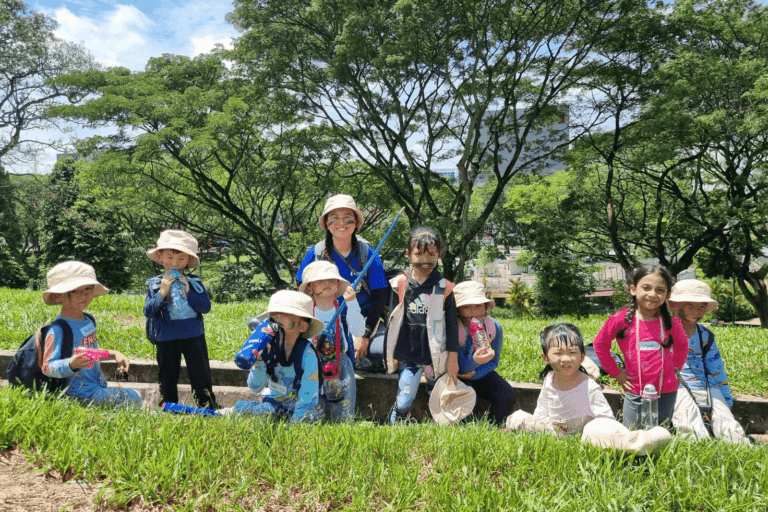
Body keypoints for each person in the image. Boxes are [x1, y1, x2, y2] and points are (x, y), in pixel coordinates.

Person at [505, 324, 672, 455]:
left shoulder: (588, 385)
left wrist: (602, 430)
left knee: (596, 430)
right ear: (546, 358)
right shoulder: (549, 380)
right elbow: (541, 411)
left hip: (586, 433)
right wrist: (535, 428)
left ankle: (642, 442)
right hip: (554, 432)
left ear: (582, 356)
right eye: (558, 353)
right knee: (517, 417)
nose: (566, 359)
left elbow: (606, 418)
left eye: (572, 352)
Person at [294, 194, 389, 369]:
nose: (341, 224)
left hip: (362, 319)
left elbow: (379, 297)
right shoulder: (315, 253)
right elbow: (300, 292)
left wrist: (365, 335)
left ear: (356, 223)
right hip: (324, 318)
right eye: (334, 218)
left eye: (348, 219)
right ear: (326, 224)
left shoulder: (368, 254)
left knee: (380, 350)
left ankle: (357, 360)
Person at [593, 265, 688, 428]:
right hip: (635, 388)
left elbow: (682, 346)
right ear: (633, 289)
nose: (652, 294)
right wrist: (616, 373)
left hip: (667, 388)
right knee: (632, 430)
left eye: (660, 290)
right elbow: (600, 345)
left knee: (662, 429)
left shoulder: (671, 323)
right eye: (646, 288)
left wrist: (676, 368)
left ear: (667, 295)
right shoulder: (620, 320)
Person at [41, 261, 142, 406]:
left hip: (96, 385)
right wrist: (70, 364)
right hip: (77, 393)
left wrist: (113, 354)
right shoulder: (58, 329)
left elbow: (89, 352)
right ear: (58, 296)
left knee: (132, 396)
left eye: (88, 288)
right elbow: (47, 367)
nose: (85, 295)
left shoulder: (88, 320)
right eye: (76, 290)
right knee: (135, 397)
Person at [385, 226, 459, 425]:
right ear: (408, 254)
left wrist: (453, 359)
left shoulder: (445, 287)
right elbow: (391, 322)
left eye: (432, 255)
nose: (425, 260)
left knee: (437, 396)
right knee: (404, 399)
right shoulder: (399, 284)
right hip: (408, 354)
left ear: (439, 255)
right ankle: (394, 426)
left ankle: (438, 428)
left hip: (436, 356)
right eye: (419, 254)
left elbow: (452, 326)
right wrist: (390, 354)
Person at [669, 279, 750, 444]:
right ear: (674, 305)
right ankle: (697, 445)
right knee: (687, 420)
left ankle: (738, 444)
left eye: (701, 306)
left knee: (727, 422)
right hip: (675, 383)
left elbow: (716, 367)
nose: (696, 311)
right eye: (690, 305)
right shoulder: (663, 331)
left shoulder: (705, 336)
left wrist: (726, 399)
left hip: (706, 384)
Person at [144, 230, 217, 409]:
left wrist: (189, 289)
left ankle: (207, 406)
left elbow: (205, 308)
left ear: (189, 261)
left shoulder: (195, 282)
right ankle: (169, 406)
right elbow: (148, 311)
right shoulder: (155, 283)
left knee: (200, 374)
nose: (175, 263)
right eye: (170, 258)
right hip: (166, 336)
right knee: (168, 375)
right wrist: (162, 292)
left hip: (193, 334)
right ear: (160, 256)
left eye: (181, 259)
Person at [228, 290, 325, 424]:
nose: (277, 315)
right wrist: (259, 363)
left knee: (311, 418)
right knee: (251, 409)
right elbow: (255, 387)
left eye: (286, 313)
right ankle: (225, 412)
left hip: (300, 407)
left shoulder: (307, 354)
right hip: (273, 403)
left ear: (302, 326)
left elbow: (308, 395)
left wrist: (295, 424)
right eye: (273, 313)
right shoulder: (267, 346)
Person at [299, 261, 364, 421]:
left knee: (344, 405)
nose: (326, 283)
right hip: (313, 364)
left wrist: (353, 303)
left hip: (340, 363)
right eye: (320, 281)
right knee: (314, 406)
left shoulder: (342, 308)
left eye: (331, 280)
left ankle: (343, 425)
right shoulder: (305, 313)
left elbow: (359, 331)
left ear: (338, 285)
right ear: (309, 288)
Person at [453, 280, 515, 425]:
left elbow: (493, 361)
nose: (473, 310)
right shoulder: (453, 329)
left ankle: (492, 426)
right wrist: (474, 361)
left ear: (486, 307)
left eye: (478, 305)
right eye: (466, 306)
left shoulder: (494, 327)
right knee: (468, 397)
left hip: (480, 372)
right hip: (457, 373)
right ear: (457, 309)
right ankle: (464, 428)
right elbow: (461, 366)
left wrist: (476, 373)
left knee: (506, 394)